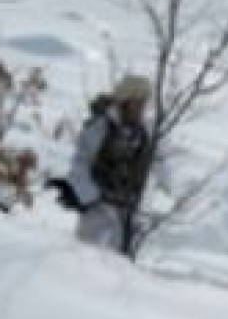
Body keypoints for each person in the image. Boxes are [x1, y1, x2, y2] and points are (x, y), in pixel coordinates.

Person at [48, 74, 153, 251]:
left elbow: (141, 174)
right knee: (85, 256)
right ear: (126, 100)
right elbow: (80, 162)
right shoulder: (101, 126)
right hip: (97, 208)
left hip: (123, 211)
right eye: (138, 102)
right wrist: (92, 196)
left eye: (143, 103)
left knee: (115, 267)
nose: (141, 108)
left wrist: (133, 203)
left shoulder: (141, 135)